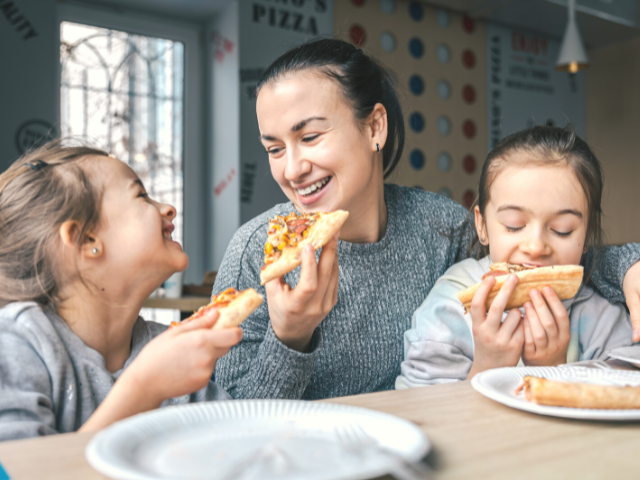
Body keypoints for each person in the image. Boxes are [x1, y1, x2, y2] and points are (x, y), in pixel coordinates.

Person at [213, 38, 640, 400]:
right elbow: (228, 420)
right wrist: (291, 338)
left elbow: (541, 263)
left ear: (375, 127)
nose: (291, 169)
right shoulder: (257, 251)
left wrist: (629, 267)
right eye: (274, 149)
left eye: (309, 137)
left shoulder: (440, 229)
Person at [0, 140, 242, 441]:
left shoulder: (168, 347)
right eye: (141, 196)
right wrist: (145, 388)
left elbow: (234, 447)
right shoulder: (17, 344)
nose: (169, 208)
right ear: (87, 241)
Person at [397, 126, 634, 388]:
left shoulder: (600, 316)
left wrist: (553, 370)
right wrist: (486, 367)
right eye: (513, 225)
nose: (535, 246)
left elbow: (623, 400)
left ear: (587, 235)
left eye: (561, 230)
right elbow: (418, 406)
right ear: (482, 226)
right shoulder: (452, 303)